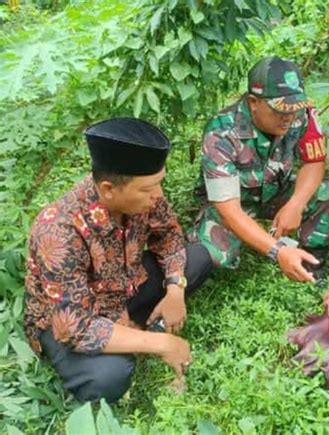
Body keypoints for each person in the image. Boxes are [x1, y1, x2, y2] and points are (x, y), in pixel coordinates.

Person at [24, 118, 212, 402]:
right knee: (109, 376)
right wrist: (160, 343)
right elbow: (73, 328)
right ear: (109, 189)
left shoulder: (145, 193)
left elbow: (169, 237)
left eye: (159, 184)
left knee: (198, 258)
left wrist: (175, 288)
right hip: (69, 318)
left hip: (124, 286)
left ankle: (132, 327)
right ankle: (132, 334)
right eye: (149, 190)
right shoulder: (57, 230)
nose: (158, 196)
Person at [190, 56, 329, 282]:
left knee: (326, 193)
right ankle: (280, 251)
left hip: (276, 189)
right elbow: (229, 210)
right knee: (215, 254)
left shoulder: (302, 115)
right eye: (279, 111)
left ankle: (311, 261)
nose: (288, 118)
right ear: (253, 102)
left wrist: (295, 204)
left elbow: (314, 161)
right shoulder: (221, 132)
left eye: (294, 109)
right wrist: (278, 251)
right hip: (235, 202)